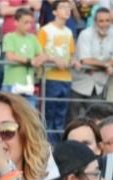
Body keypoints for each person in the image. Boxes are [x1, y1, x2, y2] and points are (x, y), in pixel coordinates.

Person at [70, 8, 113, 117]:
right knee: (73, 119)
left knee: (95, 120)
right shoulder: (85, 34)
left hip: (98, 86)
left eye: (107, 20)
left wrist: (97, 64)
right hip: (79, 82)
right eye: (101, 21)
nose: (104, 24)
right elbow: (85, 60)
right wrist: (106, 65)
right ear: (95, 22)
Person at [40, 0, 77, 141]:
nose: (67, 10)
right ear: (54, 11)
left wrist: (73, 61)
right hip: (50, 77)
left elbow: (71, 54)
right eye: (62, 7)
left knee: (61, 115)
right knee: (49, 114)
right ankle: (48, 145)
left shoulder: (69, 32)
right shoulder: (45, 30)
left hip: (66, 78)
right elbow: (39, 53)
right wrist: (54, 59)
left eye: (69, 7)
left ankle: (58, 146)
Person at [2, 8, 45, 106]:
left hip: (29, 85)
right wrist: (30, 61)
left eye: (31, 23)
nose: (29, 26)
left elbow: (42, 55)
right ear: (16, 22)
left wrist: (39, 60)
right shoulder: (9, 37)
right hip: (11, 84)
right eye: (26, 22)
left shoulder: (33, 38)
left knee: (29, 116)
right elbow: (10, 56)